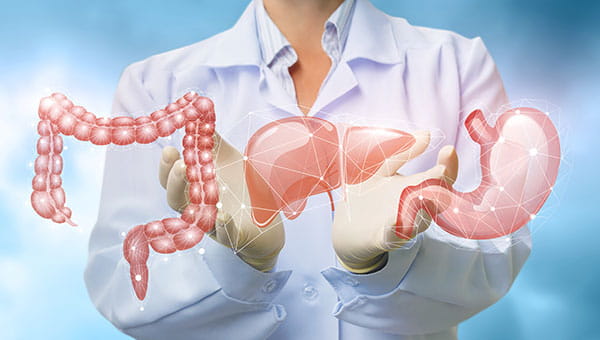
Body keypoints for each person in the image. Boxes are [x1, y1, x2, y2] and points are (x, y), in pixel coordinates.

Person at [84, 0, 531, 339]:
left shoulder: (455, 64)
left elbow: (498, 254)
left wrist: (382, 265)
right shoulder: (155, 85)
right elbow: (122, 288)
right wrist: (237, 261)